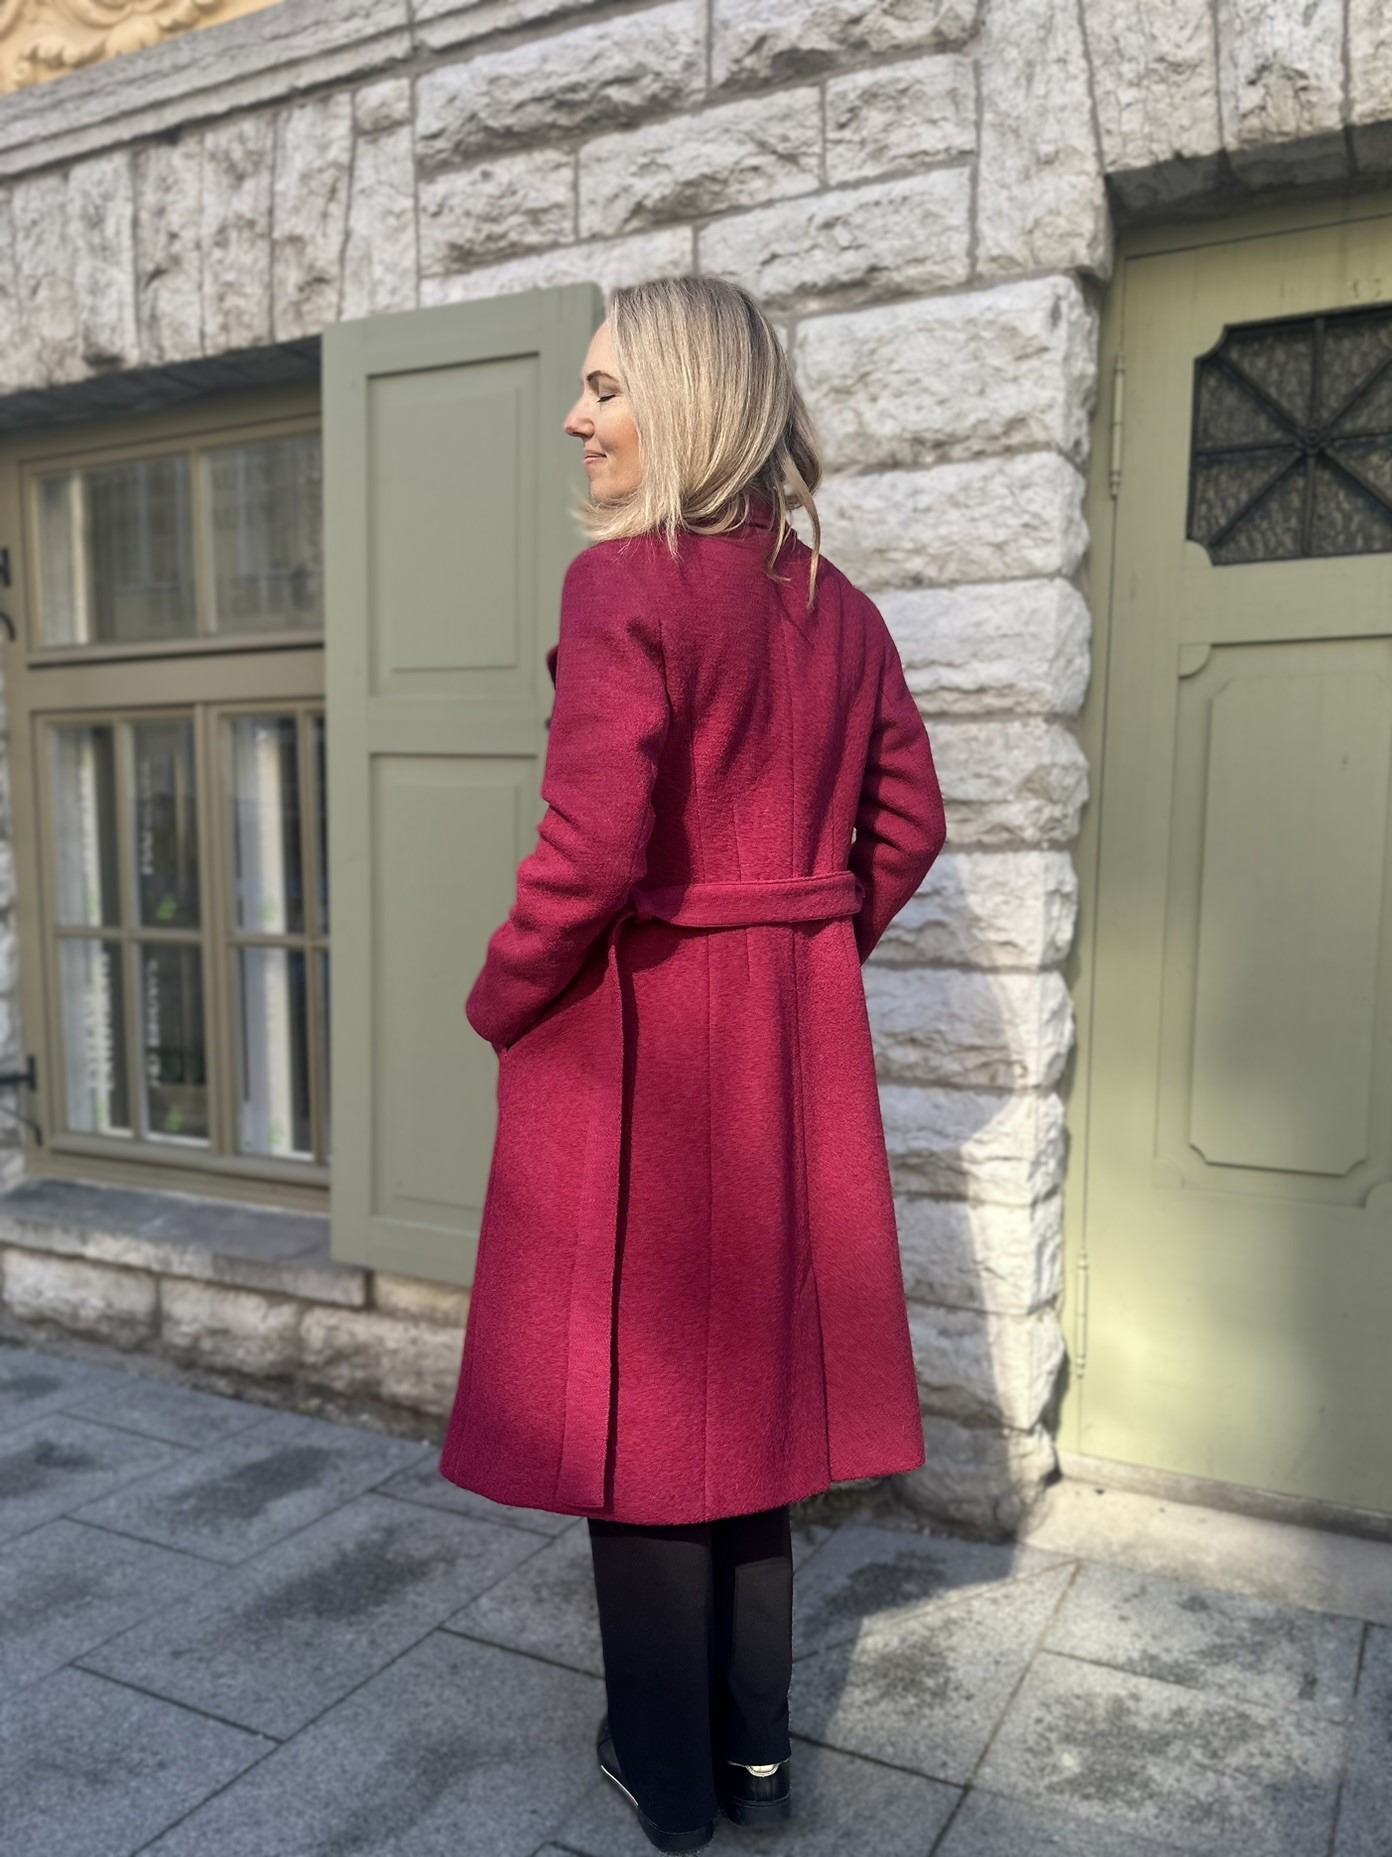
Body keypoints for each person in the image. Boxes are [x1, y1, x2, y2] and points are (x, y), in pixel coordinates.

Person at [439, 275, 947, 1852]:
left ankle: (666, 1778)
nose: (577, 418)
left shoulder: (625, 587)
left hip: (646, 1057)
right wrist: (802, 951)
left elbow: (590, 852)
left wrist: (504, 995)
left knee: (643, 1416)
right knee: (754, 1414)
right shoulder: (839, 609)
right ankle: (756, 1759)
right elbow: (909, 825)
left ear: (686, 401)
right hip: (786, 1065)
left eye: (606, 388)